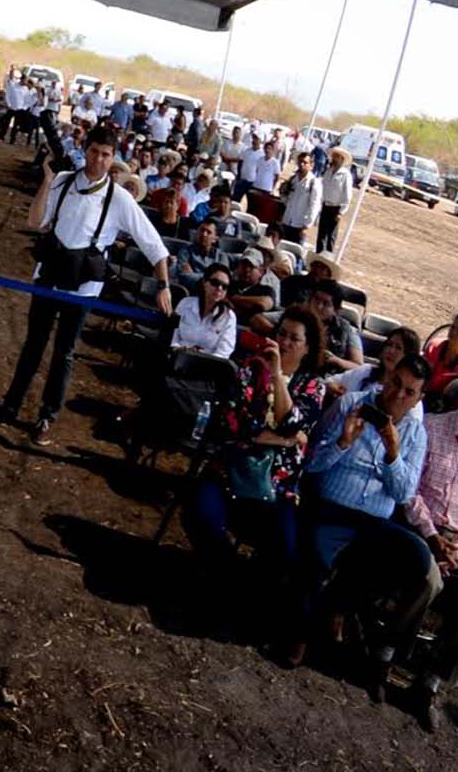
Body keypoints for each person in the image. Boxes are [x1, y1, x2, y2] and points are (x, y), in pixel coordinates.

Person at [0, 125, 172, 445]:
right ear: (85, 150)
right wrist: (46, 181)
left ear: (113, 158)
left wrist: (164, 285)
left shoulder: (119, 199)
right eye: (94, 152)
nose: (98, 160)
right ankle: (10, 404)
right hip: (48, 277)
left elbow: (153, 244)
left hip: (83, 287)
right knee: (33, 345)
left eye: (106, 155)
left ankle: (48, 415)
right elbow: (35, 222)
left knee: (65, 353)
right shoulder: (62, 180)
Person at [284, 356, 433, 678]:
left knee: (417, 558)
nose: (398, 395)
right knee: (316, 553)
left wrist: (393, 453)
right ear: (387, 377)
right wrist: (343, 442)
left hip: (374, 520)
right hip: (332, 507)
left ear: (419, 399)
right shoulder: (350, 404)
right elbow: (309, 463)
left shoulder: (415, 434)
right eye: (396, 383)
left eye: (409, 392)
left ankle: (343, 607)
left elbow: (404, 494)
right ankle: (300, 634)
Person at [182, 308, 332, 606]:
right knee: (200, 514)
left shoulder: (313, 386)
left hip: (277, 487)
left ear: (308, 347)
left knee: (285, 546)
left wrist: (277, 377)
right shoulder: (250, 370)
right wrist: (283, 439)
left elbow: (293, 422)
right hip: (230, 471)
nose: (285, 343)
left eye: (294, 338)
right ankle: (224, 577)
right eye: (282, 334)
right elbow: (233, 422)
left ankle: (246, 596)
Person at [395, 373, 458, 730]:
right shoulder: (432, 428)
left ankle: (430, 681)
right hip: (418, 527)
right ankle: (387, 652)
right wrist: (433, 536)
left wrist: (457, 547)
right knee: (430, 580)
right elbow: (410, 489)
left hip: (457, 542)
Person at [173, 264, 238, 358]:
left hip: (208, 363)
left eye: (224, 286)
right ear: (204, 282)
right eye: (215, 283)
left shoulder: (229, 317)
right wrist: (178, 350)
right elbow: (172, 335)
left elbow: (223, 353)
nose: (220, 288)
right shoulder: (185, 304)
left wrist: (202, 360)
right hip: (177, 357)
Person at [277, 151, 322, 245]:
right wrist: (282, 192)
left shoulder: (314, 182)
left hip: (300, 225)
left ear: (311, 165)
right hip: (287, 221)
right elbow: (286, 199)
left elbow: (315, 206)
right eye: (300, 161)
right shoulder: (293, 179)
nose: (302, 164)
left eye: (305, 162)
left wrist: (306, 226)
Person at [318, 146, 355, 253]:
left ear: (341, 159)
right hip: (325, 205)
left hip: (335, 208)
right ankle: (318, 253)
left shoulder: (345, 175)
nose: (333, 159)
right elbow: (323, 187)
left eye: (336, 157)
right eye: (333, 156)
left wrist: (341, 212)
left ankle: (328, 255)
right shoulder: (328, 172)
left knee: (331, 235)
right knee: (321, 234)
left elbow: (347, 195)